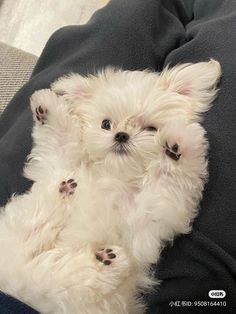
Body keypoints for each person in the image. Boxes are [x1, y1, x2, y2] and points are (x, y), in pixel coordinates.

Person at [0, 0, 235, 313]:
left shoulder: (76, 165)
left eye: (149, 128)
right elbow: (158, 218)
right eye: (108, 125)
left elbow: (55, 163)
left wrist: (55, 125)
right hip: (90, 279)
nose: (121, 134)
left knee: (119, 23)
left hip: (35, 236)